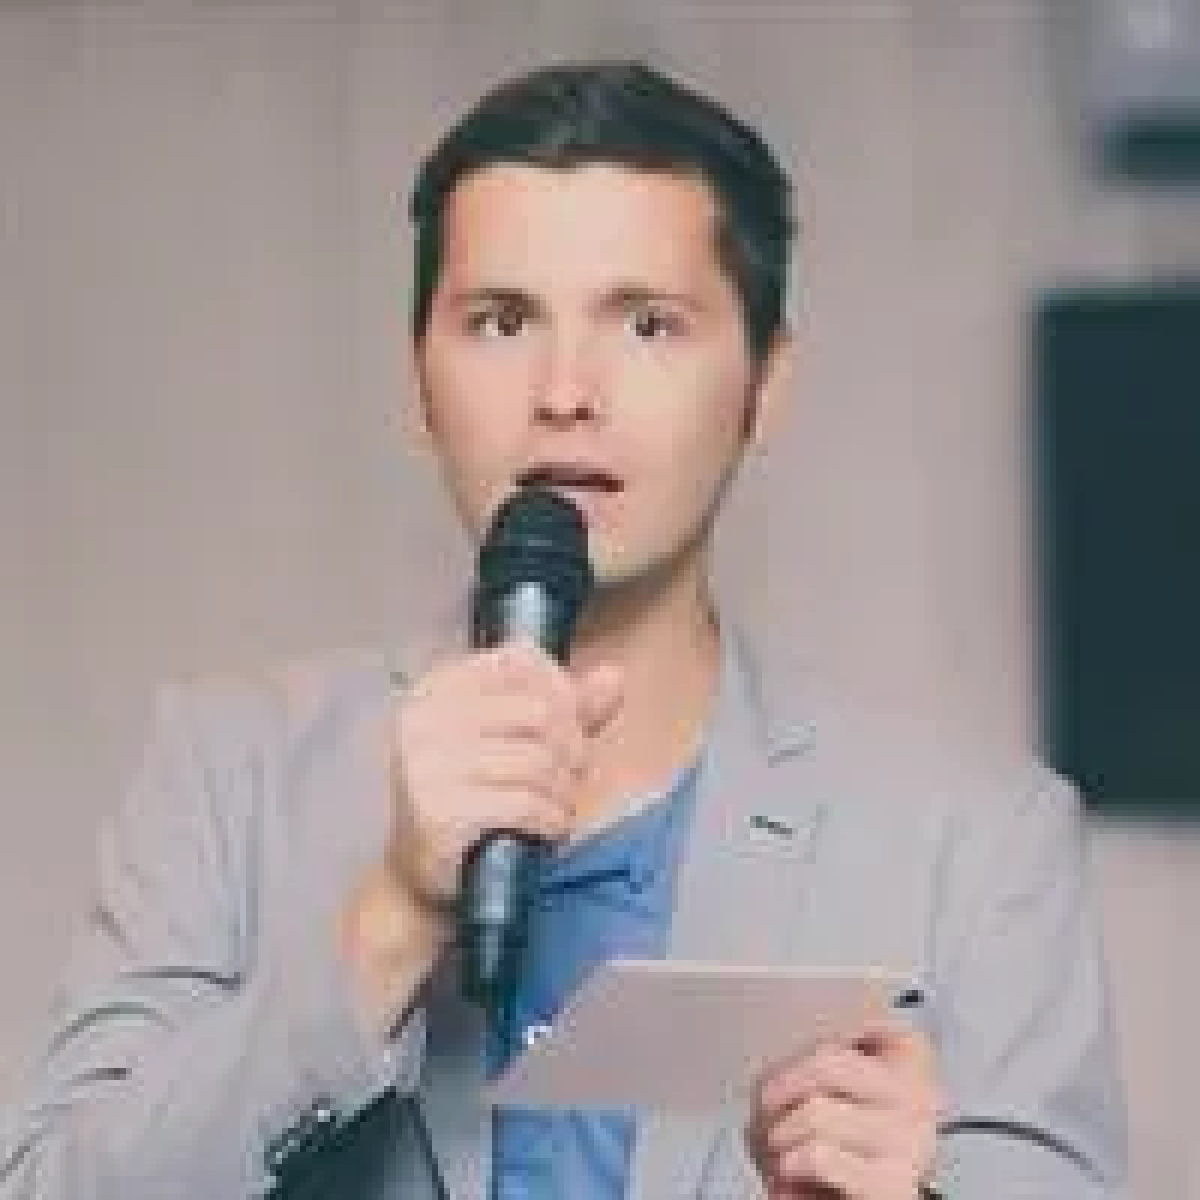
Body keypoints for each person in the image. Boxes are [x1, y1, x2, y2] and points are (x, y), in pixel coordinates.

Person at [1, 60, 1127, 1200]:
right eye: (500, 322)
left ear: (765, 384)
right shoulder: (229, 778)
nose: (565, 392)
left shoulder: (975, 846)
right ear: (419, 379)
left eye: (647, 324)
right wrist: (389, 923)